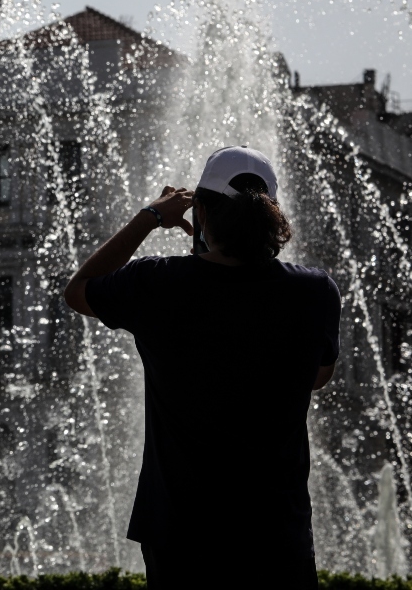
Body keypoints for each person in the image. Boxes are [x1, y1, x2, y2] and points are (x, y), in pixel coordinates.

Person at [63, 146, 341, 589]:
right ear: (270, 215)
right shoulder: (314, 291)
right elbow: (318, 378)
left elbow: (78, 290)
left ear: (204, 214)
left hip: (180, 528)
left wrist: (151, 216)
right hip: (274, 528)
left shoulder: (157, 283)